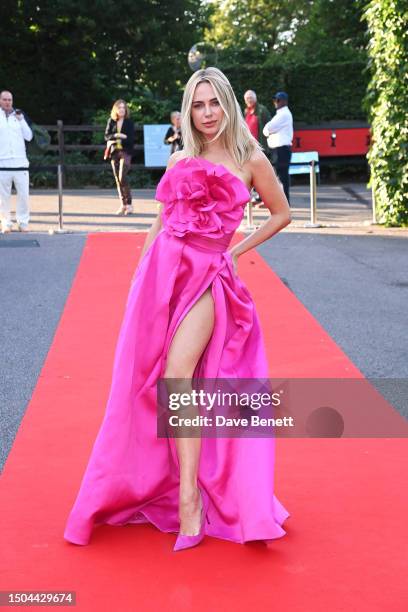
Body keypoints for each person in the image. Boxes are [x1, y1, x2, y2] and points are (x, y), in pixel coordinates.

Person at [64, 67, 291, 552]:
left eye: (213, 103)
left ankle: (190, 496)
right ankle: (172, 485)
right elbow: (161, 221)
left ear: (227, 103)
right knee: (149, 377)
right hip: (164, 272)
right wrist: (140, 275)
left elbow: (281, 212)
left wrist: (236, 250)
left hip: (209, 274)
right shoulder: (181, 157)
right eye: (198, 105)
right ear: (188, 109)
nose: (207, 113)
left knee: (177, 372)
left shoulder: (250, 156)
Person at [0, 90, 33, 233]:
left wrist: (21, 120)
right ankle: (6, 223)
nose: (7, 102)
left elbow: (29, 136)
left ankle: (23, 222)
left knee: (24, 196)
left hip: (21, 164)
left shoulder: (19, 116)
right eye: (5, 99)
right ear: (0, 101)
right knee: (3, 197)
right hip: (2, 163)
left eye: (10, 100)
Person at [104, 99, 135, 215]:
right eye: (119, 107)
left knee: (122, 177)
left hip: (126, 152)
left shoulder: (129, 122)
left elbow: (131, 139)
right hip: (114, 152)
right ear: (115, 110)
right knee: (117, 179)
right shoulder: (111, 121)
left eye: (123, 107)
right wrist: (116, 135)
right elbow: (106, 136)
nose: (122, 109)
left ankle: (129, 204)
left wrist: (123, 137)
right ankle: (123, 205)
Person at [263, 92, 293, 203]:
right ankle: (282, 202)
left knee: (282, 178)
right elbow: (268, 129)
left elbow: (267, 128)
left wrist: (268, 132)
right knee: (279, 177)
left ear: (284, 101)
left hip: (281, 149)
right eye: (275, 100)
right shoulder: (281, 114)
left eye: (278, 100)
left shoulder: (283, 114)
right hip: (279, 149)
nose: (276, 102)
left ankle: (284, 203)